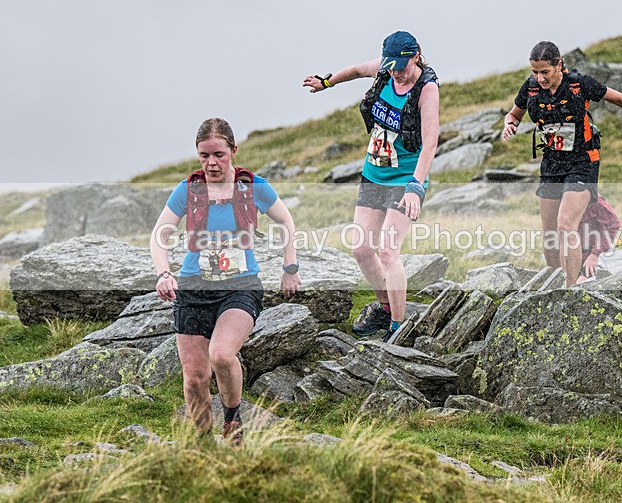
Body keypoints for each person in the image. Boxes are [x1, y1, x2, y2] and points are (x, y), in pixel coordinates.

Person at [150, 117, 301, 448]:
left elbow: (285, 220)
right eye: (204, 156)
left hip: (241, 286)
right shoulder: (188, 190)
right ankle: (203, 444)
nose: (211, 163)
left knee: (220, 355)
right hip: (192, 288)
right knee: (194, 380)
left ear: (233, 151)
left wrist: (290, 266)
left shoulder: (253, 187)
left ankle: (232, 419)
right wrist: (164, 273)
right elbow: (159, 234)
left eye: (218, 154)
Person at [303, 30, 439, 341]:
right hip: (374, 174)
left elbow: (430, 143)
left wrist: (416, 186)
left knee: (389, 251)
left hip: (405, 180)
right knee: (361, 248)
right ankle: (385, 308)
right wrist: (326, 83)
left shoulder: (427, 90)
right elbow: (353, 71)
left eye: (401, 66)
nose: (396, 73)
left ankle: (398, 328)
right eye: (391, 66)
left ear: (416, 56)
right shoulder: (386, 68)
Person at [502, 41, 622, 286]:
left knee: (565, 225)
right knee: (550, 235)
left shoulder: (579, 84)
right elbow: (514, 114)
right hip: (552, 163)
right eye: (534, 72)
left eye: (545, 72)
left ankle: (570, 292)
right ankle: (556, 280)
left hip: (583, 162)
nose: (539, 78)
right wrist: (510, 124)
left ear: (559, 65)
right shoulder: (530, 89)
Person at [576, 194, 621, 283]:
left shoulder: (595, 201)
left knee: (579, 285)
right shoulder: (559, 199)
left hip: (594, 254)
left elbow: (613, 226)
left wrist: (595, 254)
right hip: (574, 255)